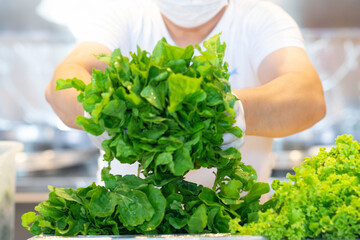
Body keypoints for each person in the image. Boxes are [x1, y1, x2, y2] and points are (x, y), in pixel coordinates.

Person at [45, 0, 326, 190]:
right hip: (127, 222)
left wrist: (227, 113)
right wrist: (100, 113)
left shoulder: (260, 17)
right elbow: (65, 80)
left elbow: (308, 97)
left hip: (234, 225)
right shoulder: (125, 14)